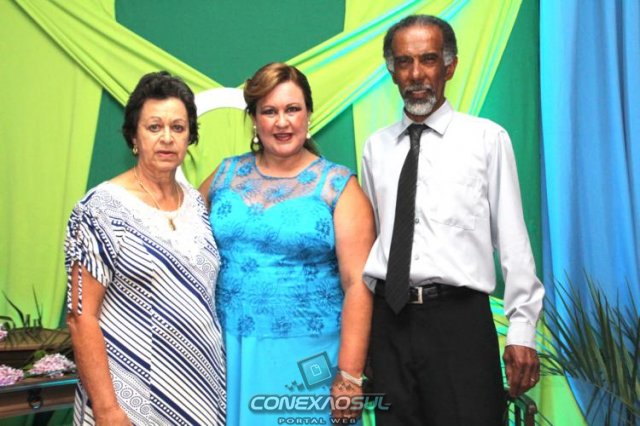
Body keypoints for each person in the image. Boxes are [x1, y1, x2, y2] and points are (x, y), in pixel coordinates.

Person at [361, 15, 545, 425]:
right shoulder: (376, 148)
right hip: (389, 323)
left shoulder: (486, 139)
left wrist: (522, 331)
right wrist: (366, 340)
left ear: (450, 66)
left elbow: (513, 241)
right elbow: (375, 241)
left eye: (428, 59)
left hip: (460, 322)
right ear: (392, 72)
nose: (416, 74)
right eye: (404, 62)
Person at [199, 62, 375, 425]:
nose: (282, 122)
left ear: (308, 113)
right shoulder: (225, 174)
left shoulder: (338, 185)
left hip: (309, 357)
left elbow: (358, 283)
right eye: (269, 111)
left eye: (292, 109)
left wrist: (350, 375)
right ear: (254, 119)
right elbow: (182, 243)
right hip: (227, 351)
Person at [64, 71, 226, 425]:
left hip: (201, 390)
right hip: (127, 398)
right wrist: (107, 410)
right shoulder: (99, 209)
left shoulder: (197, 205)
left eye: (178, 127)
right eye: (154, 127)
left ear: (190, 137)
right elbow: (80, 317)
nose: (167, 138)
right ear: (134, 136)